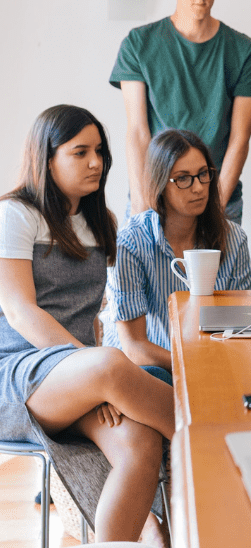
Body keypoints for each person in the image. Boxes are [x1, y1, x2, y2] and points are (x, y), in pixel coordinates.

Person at [0, 105, 174, 544]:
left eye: (99, 151)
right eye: (80, 152)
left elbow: (89, 317)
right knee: (114, 365)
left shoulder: (99, 222)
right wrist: (95, 369)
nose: (96, 162)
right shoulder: (14, 215)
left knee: (141, 445)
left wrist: (95, 376)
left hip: (81, 378)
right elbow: (21, 311)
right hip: (19, 377)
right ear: (48, 156)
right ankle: (225, 448)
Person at [109, 0, 251, 224]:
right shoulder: (138, 45)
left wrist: (215, 209)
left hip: (219, 197)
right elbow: (138, 132)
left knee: (220, 271)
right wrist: (143, 205)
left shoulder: (244, 51)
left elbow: (239, 139)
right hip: (156, 195)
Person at [104, 130, 251, 376]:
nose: (198, 188)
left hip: (211, 365)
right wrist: (195, 365)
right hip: (147, 370)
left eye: (203, 174)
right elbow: (134, 347)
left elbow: (236, 328)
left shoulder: (234, 239)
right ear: (160, 183)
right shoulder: (130, 243)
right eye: (183, 178)